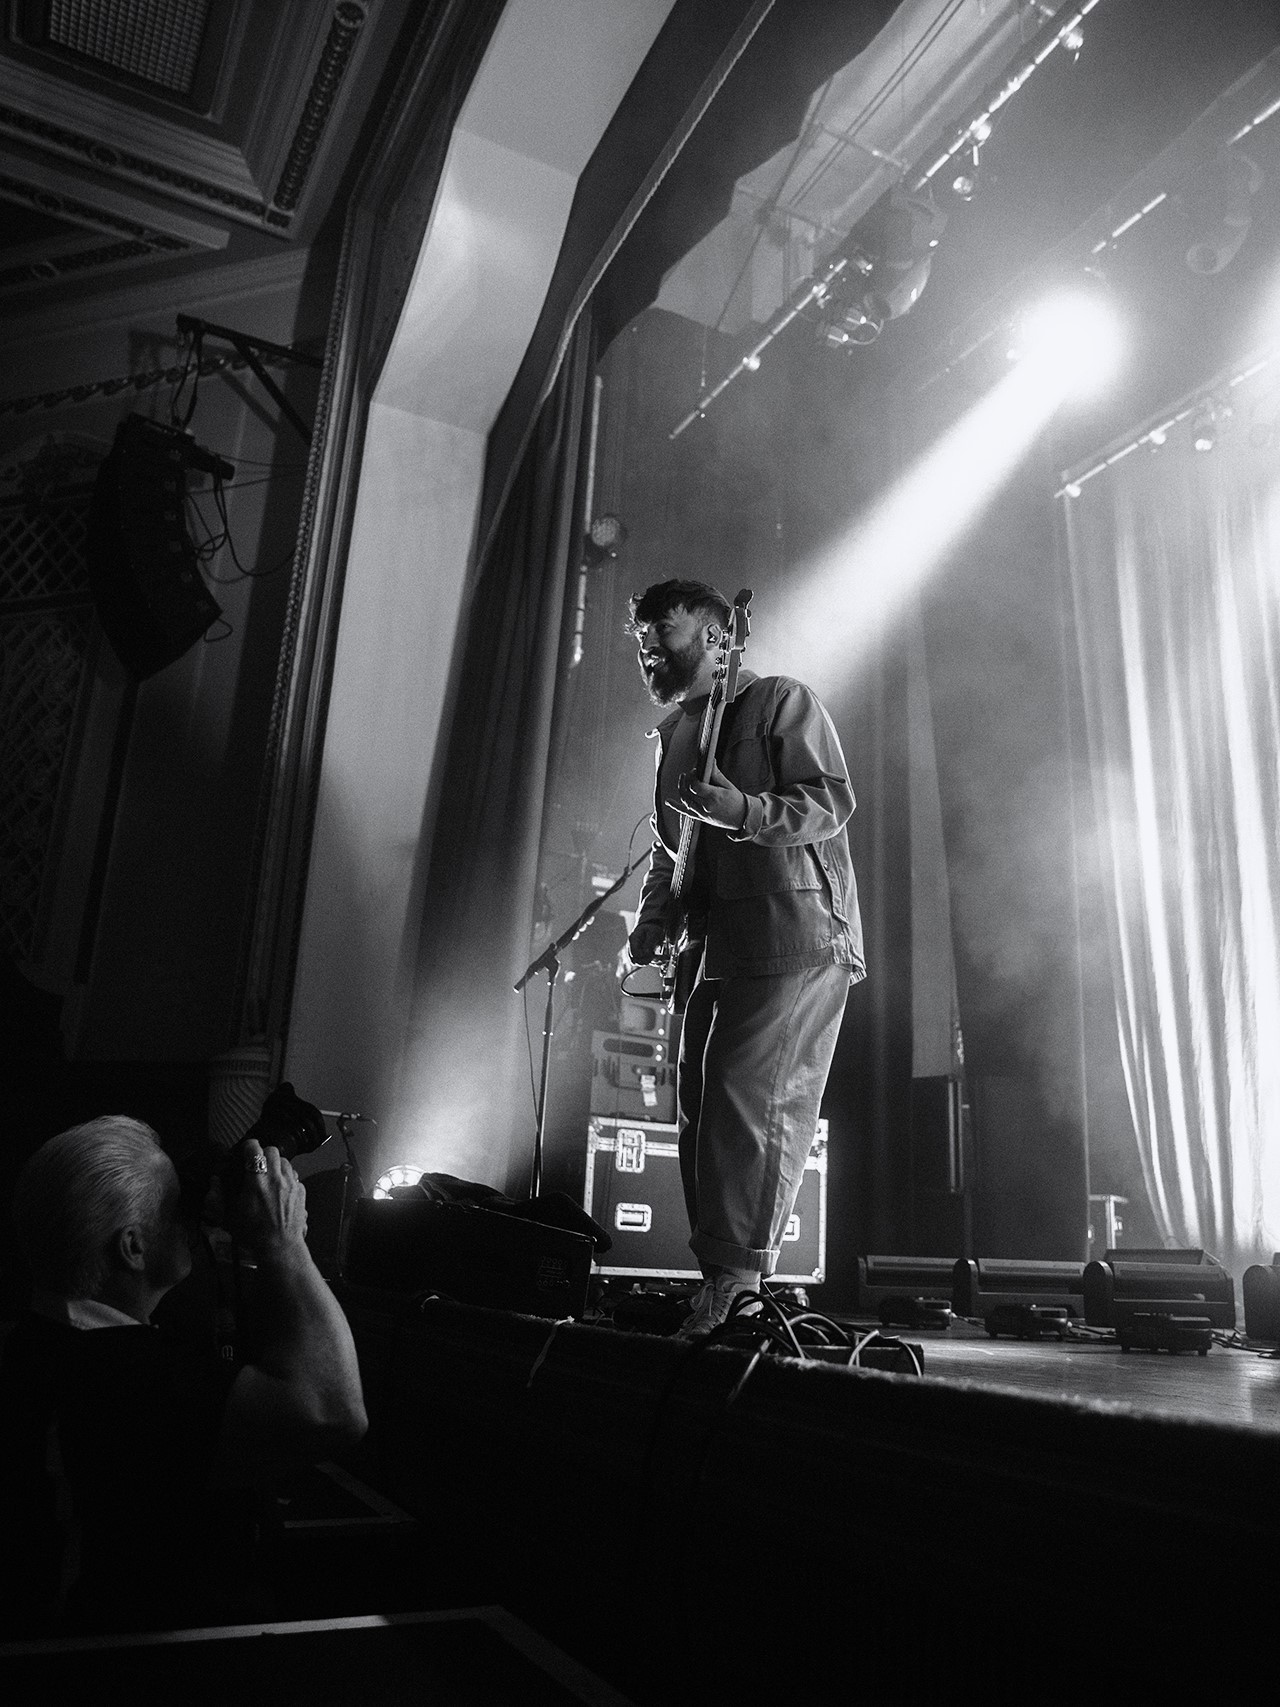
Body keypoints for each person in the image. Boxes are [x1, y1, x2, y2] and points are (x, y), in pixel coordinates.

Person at [0, 1114, 367, 1634]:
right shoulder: (118, 1376)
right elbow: (334, 1412)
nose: (192, 1223)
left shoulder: (47, 1338)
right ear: (132, 1248)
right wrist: (283, 1242)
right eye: (177, 1213)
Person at [627, 580, 864, 1336]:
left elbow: (830, 799)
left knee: (746, 1101)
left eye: (664, 635)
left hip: (792, 930)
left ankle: (738, 1283)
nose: (650, 652)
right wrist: (651, 921)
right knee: (700, 1115)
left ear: (722, 639)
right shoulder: (672, 738)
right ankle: (721, 1284)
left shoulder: (779, 703)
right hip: (713, 943)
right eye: (640, 641)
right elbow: (673, 851)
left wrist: (744, 811)